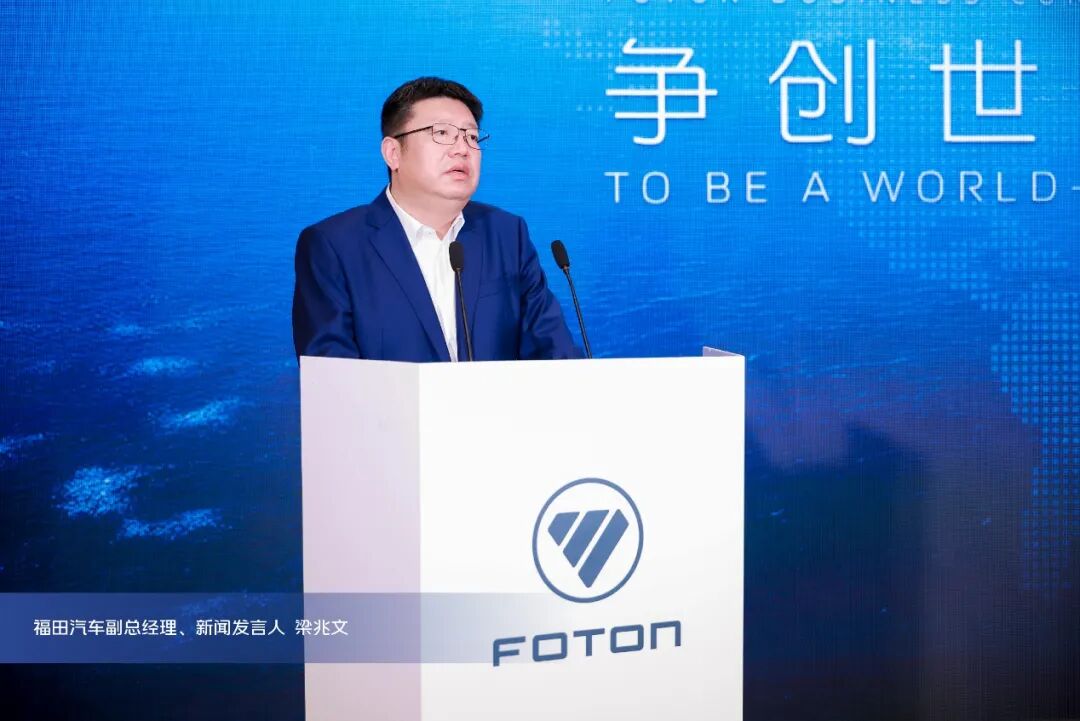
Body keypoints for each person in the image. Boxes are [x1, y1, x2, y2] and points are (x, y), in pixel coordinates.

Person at [292, 77, 581, 362]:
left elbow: (556, 354)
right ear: (393, 153)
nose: (462, 149)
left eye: (471, 136)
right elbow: (331, 374)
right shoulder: (335, 246)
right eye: (442, 133)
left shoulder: (506, 235)